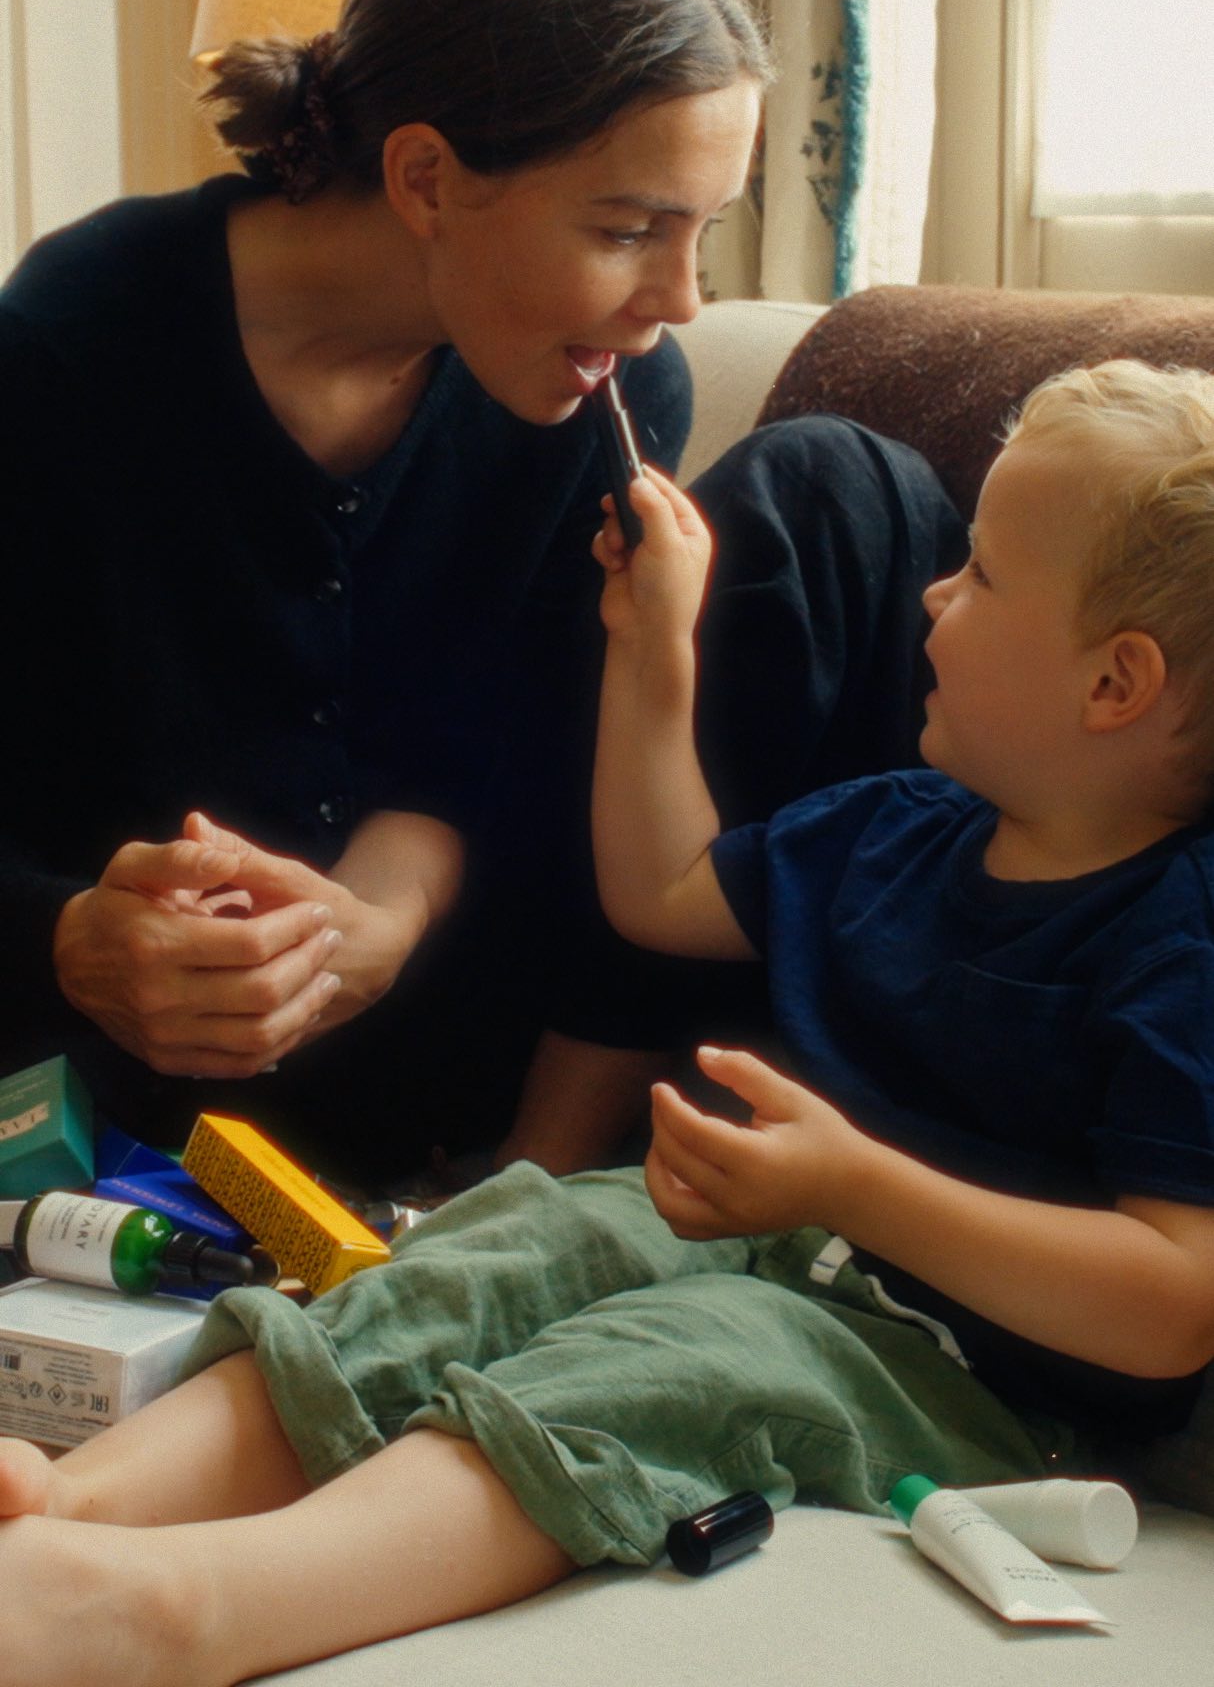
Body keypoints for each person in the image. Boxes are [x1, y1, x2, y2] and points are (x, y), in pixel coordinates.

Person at [0, 357, 1212, 1687]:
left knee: (673, 1369)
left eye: (976, 575)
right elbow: (663, 892)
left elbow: (1170, 1307)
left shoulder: (1177, 946)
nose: (930, 590)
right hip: (767, 1236)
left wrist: (855, 1188)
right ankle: (70, 1505)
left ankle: (186, 1611)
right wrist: (653, 655)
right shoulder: (899, 828)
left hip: (960, 1369)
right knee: (521, 1231)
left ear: (1113, 685)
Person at [0, 0, 772, 1185]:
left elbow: (497, 753)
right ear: (423, 179)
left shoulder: (610, 392)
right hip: (112, 1103)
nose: (681, 297)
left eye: (700, 229)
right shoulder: (74, 348)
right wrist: (71, 936)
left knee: (800, 504)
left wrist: (386, 913)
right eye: (631, 226)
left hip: (458, 1091)